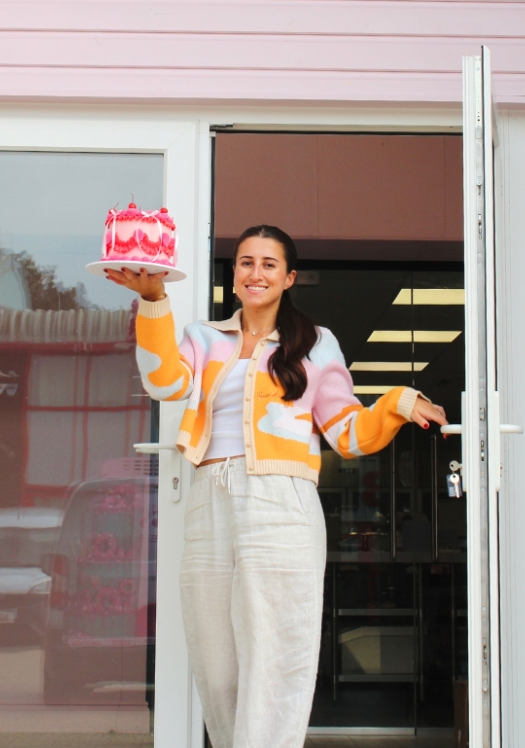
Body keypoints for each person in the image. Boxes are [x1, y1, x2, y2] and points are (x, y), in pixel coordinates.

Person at [106, 224, 448, 748]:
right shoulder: (204, 337)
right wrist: (155, 301)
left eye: (268, 264)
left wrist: (397, 402)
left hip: (281, 501)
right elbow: (163, 383)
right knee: (215, 663)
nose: (255, 273)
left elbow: (347, 433)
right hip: (208, 497)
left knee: (275, 661)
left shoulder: (315, 344)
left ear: (289, 277)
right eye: (246, 262)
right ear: (235, 274)